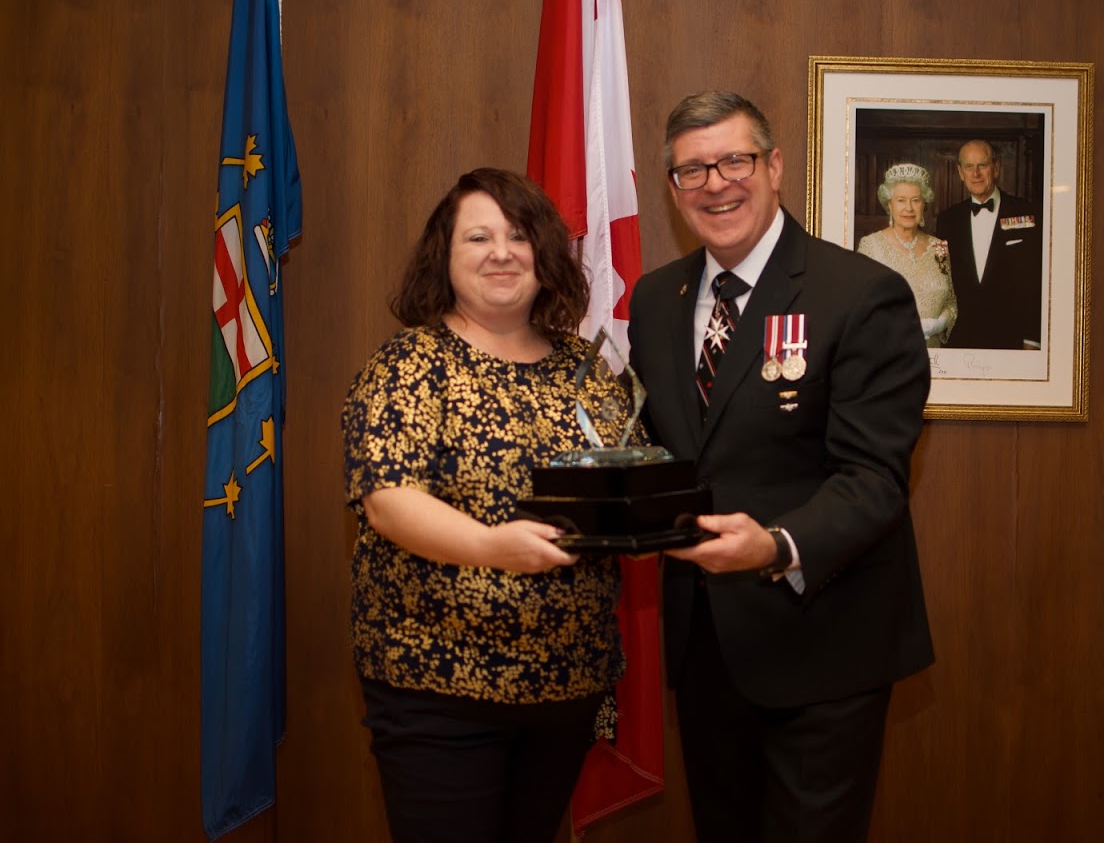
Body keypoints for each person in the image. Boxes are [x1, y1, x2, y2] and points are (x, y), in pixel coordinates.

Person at [627, 91, 934, 843]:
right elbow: (657, 453)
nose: (716, 184)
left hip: (823, 641)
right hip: (705, 648)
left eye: (735, 161)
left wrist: (774, 545)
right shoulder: (656, 301)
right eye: (693, 170)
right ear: (673, 188)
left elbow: (874, 478)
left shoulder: (859, 293)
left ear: (774, 167)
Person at [341, 168, 634, 843]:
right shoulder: (409, 365)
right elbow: (388, 499)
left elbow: (627, 480)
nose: (501, 252)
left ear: (545, 254)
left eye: (519, 235)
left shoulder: (585, 368)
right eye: (478, 237)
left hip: (568, 685)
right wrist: (493, 547)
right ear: (444, 257)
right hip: (438, 690)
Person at [934, 138, 1043, 350]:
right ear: (960, 172)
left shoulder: (1026, 212)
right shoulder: (948, 219)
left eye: (982, 165)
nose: (975, 174)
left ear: (996, 168)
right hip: (961, 339)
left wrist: (1032, 339)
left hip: (1011, 339)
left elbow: (1036, 280)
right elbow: (943, 280)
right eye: (969, 167)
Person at [856, 162, 959, 348]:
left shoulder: (939, 247)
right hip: (888, 353)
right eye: (901, 200)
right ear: (890, 205)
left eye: (916, 200)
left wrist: (939, 324)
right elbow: (861, 307)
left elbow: (950, 303)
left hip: (933, 356)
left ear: (924, 204)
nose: (909, 208)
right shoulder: (871, 246)